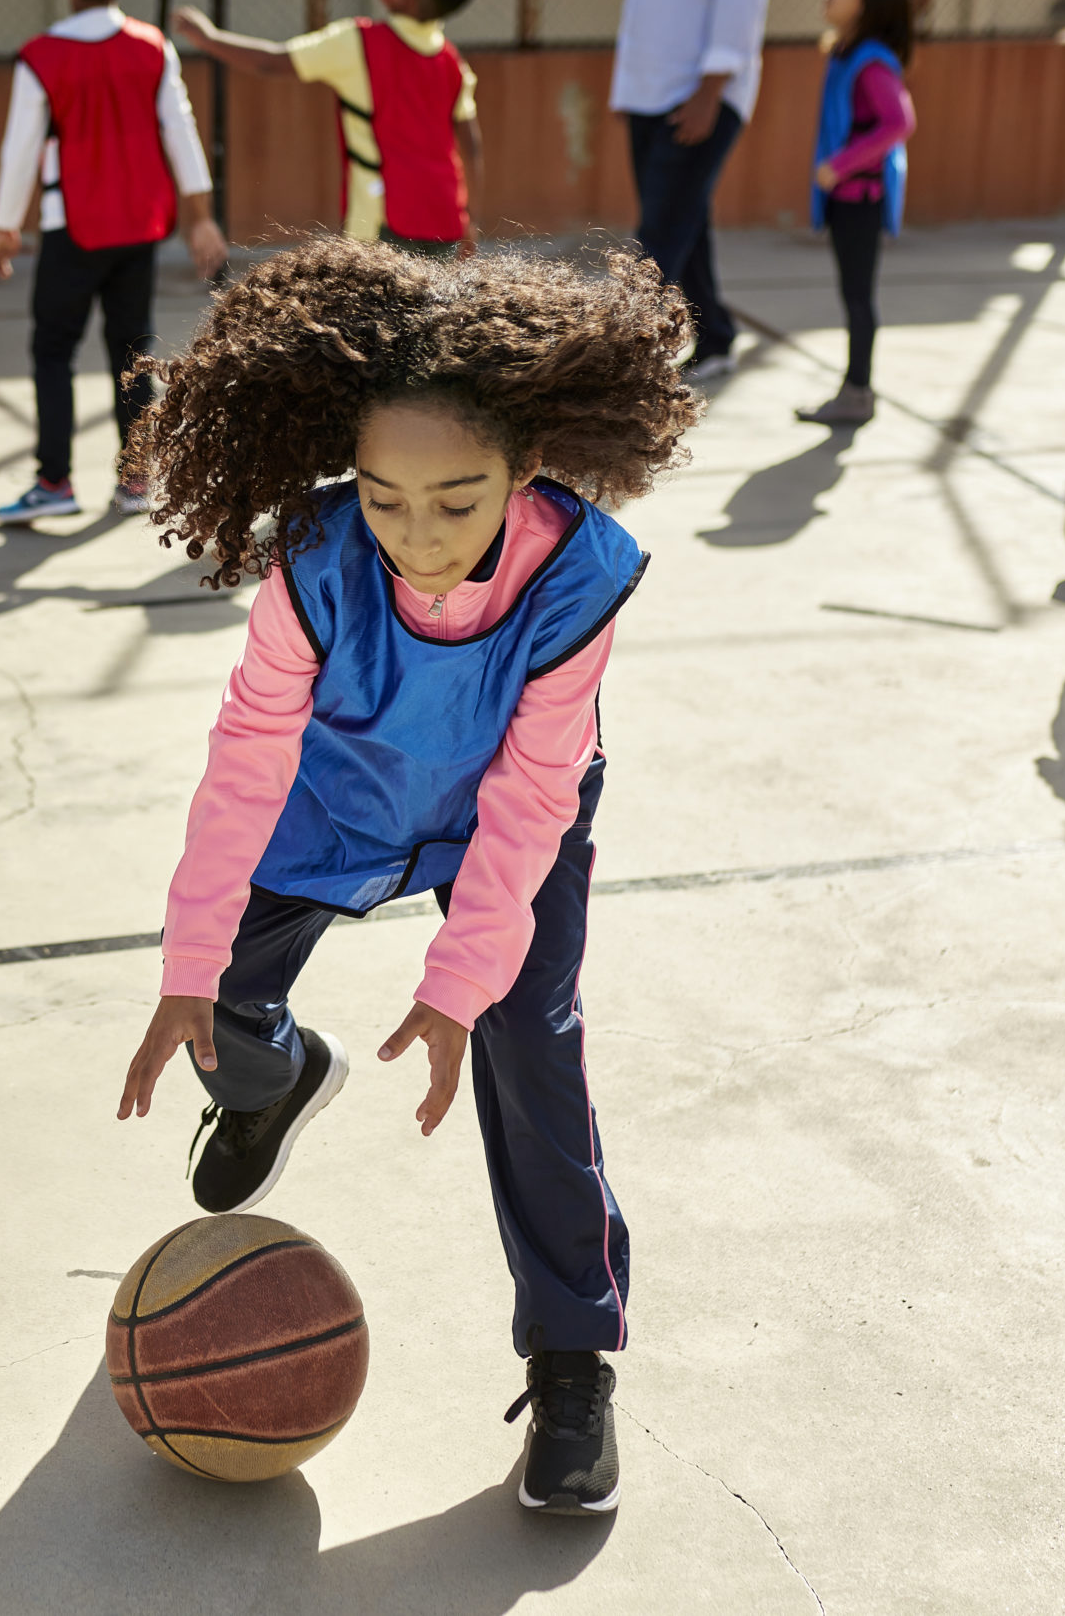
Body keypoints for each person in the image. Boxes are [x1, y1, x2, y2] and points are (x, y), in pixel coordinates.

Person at [112, 237, 698, 1517]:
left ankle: (570, 1367)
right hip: (339, 790)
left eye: (456, 498)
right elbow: (247, 756)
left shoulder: (577, 574)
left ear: (526, 470)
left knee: (531, 1050)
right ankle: (276, 1078)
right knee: (217, 1003)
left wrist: (457, 986)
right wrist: (187, 967)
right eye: (382, 497)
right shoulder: (315, 562)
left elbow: (536, 791)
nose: (415, 535)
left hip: (506, 813)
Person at [0, 0, 230, 524]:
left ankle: (53, 480)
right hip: (138, 229)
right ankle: (137, 479)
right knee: (132, 350)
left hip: (72, 229)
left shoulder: (40, 57)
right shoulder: (153, 50)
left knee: (52, 349)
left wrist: (4, 228)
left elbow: (19, 151)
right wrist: (199, 215)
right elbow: (182, 131)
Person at [172, 0, 485, 258]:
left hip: (380, 226)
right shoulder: (451, 61)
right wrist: (471, 219)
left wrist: (208, 38)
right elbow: (472, 145)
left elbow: (272, 61)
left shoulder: (358, 42)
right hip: (445, 218)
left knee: (373, 310)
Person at [614, 0, 784, 383]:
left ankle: (621, 362)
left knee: (659, 235)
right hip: (648, 91)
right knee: (682, 220)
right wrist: (628, 87)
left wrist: (711, 90)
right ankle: (716, 338)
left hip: (700, 93)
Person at [795, 0, 915, 426]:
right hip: (847, 201)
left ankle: (858, 391)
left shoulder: (871, 64)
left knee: (859, 296)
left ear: (867, 4)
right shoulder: (847, 54)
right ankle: (855, 389)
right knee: (854, 294)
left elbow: (899, 122)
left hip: (860, 200)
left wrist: (838, 166)